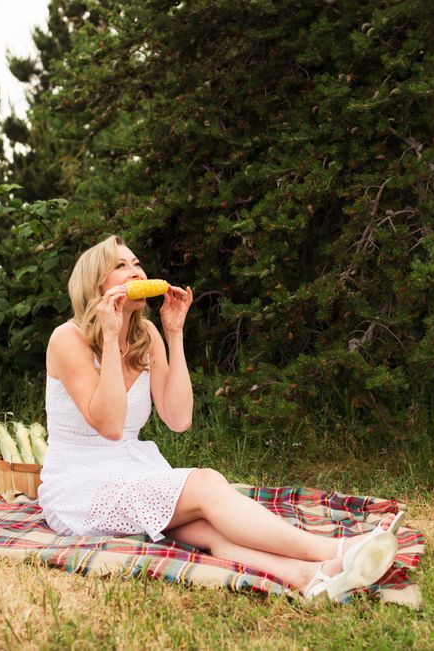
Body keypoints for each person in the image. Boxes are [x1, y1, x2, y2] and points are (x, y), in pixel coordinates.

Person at [38, 234, 401, 600]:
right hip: (81, 485)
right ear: (95, 285)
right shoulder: (67, 338)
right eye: (120, 266)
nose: (136, 272)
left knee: (209, 527)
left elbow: (178, 419)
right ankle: (337, 550)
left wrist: (174, 333)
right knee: (207, 483)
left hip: (133, 471)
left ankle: (310, 577)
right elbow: (111, 426)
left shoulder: (146, 335)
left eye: (136, 263)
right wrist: (110, 335)